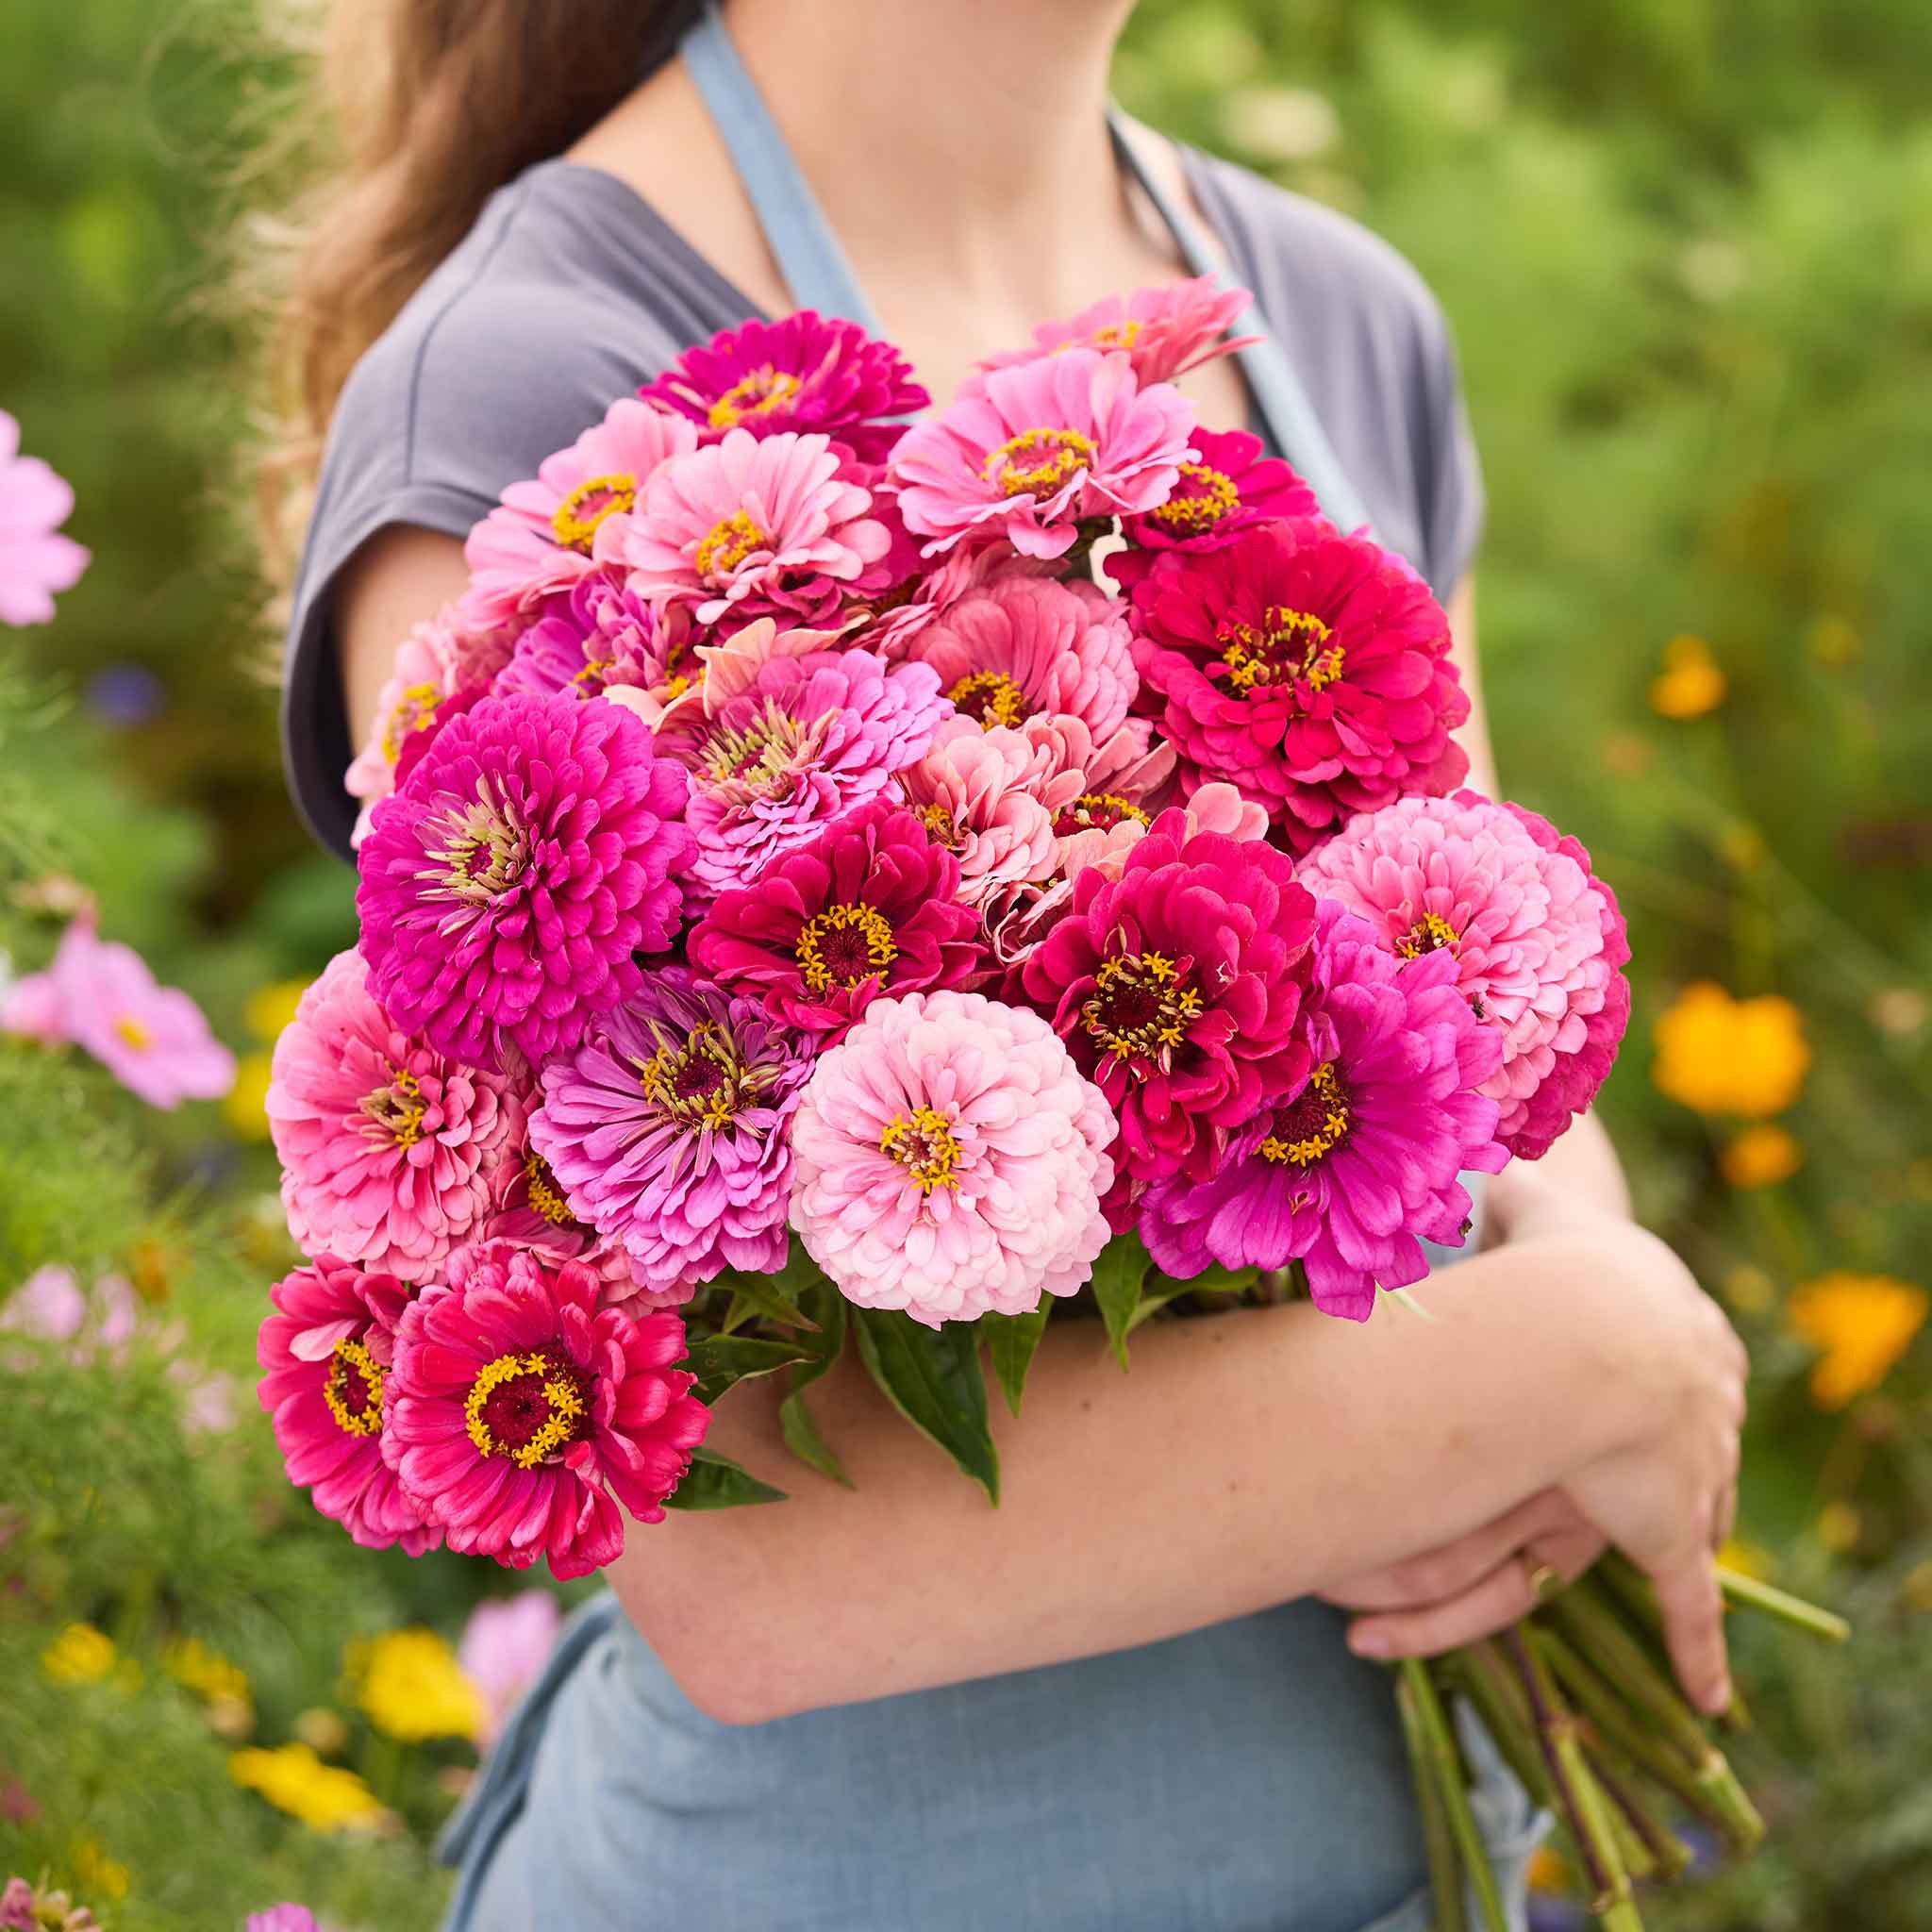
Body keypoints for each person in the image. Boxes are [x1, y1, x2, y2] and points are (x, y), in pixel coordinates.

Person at [261, 3, 1748, 1926]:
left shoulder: (1326, 313)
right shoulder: (540, 377)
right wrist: (1585, 1356)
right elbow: (760, 1575)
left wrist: (1577, 1308)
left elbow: (1504, 1084)